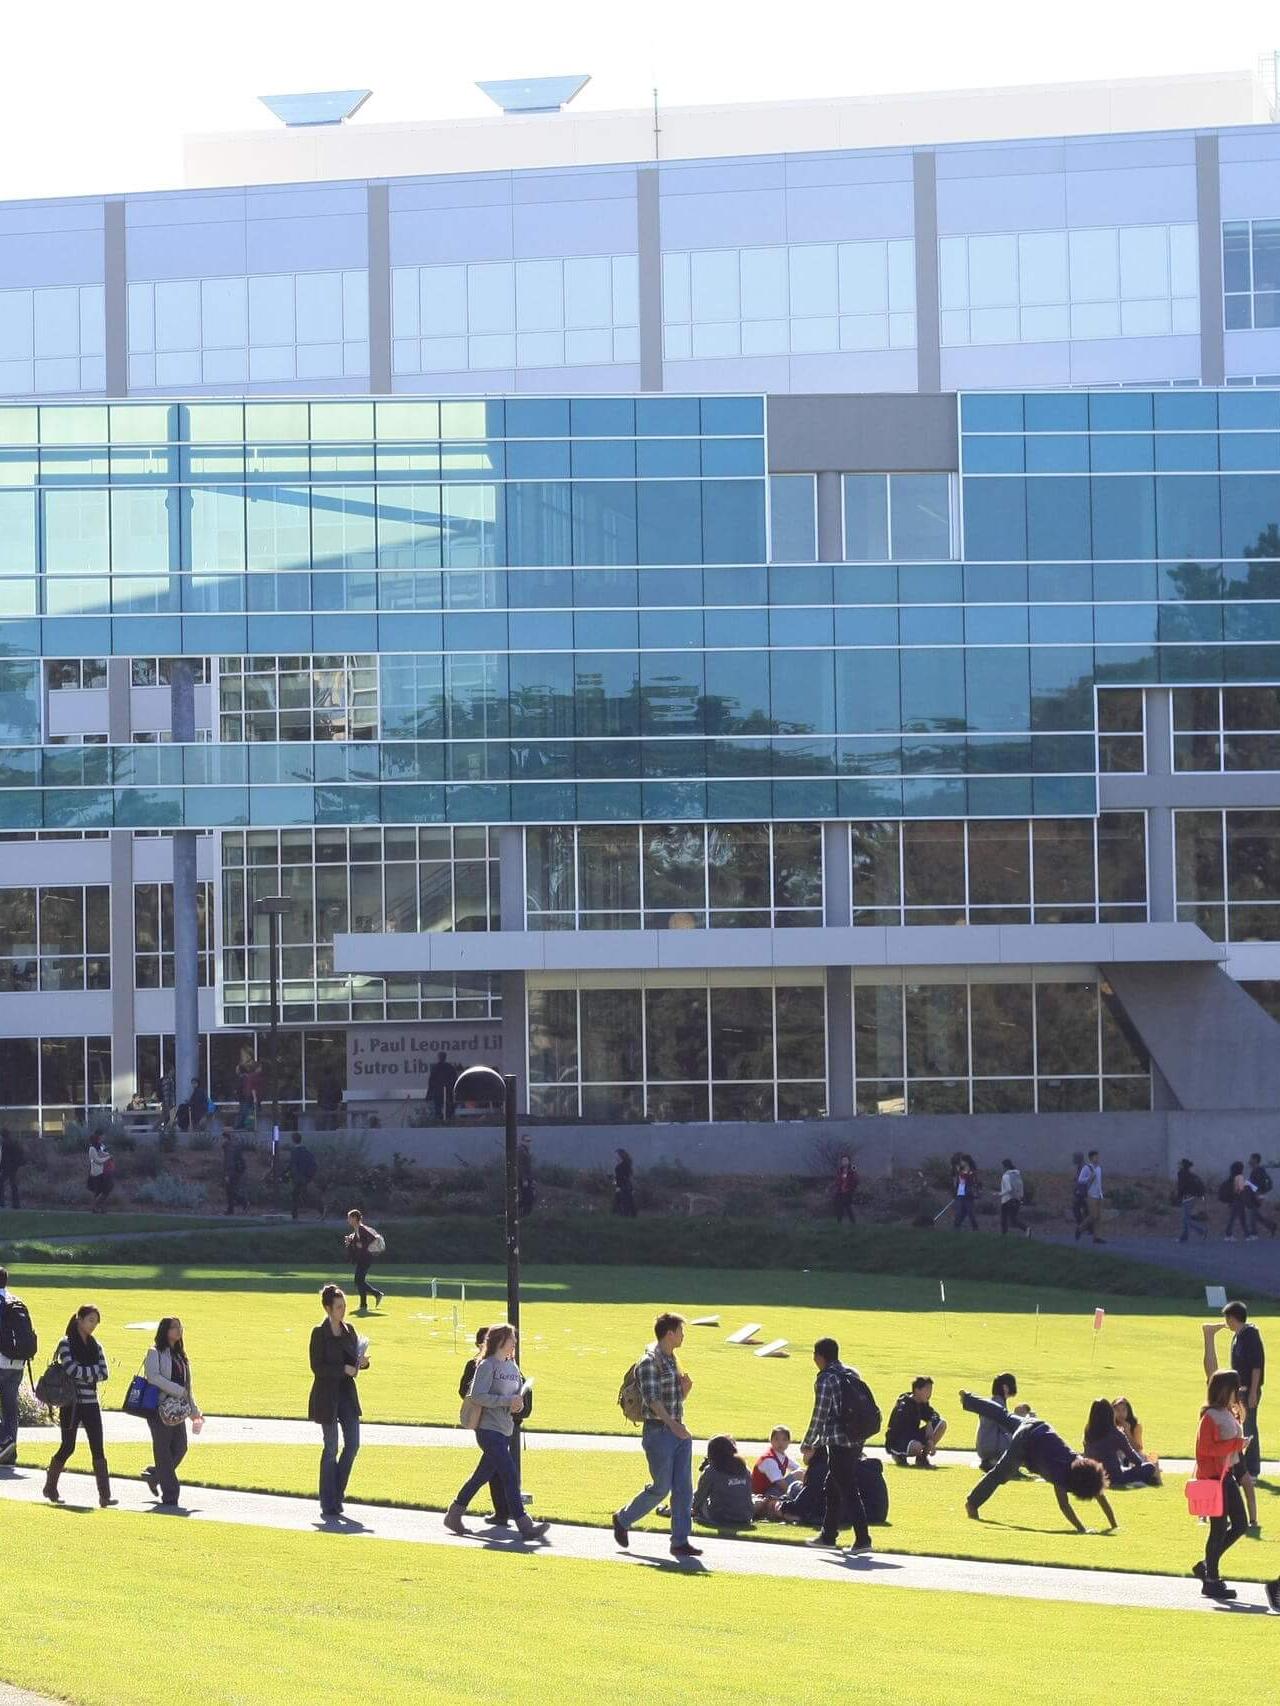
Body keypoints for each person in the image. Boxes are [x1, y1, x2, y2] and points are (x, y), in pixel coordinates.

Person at [959, 1391, 1116, 1532]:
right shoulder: (1061, 1476)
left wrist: (1114, 1525)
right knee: (1001, 1473)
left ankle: (968, 1399)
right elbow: (1064, 1505)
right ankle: (972, 1504)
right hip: (1025, 1442)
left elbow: (1099, 1492)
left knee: (1003, 1415)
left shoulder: (1080, 1461)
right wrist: (1082, 1529)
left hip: (1036, 1424)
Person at [445, 1322, 547, 1542]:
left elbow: (515, 1396)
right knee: (509, 1474)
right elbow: (476, 1395)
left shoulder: (512, 1367)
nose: (515, 1343)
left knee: (481, 1476)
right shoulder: (487, 1365)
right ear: (501, 1341)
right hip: (487, 1429)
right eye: (512, 1339)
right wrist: (505, 1401)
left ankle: (454, 1514)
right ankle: (524, 1524)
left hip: (505, 1428)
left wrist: (517, 1404)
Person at [611, 1312, 701, 1558]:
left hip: (677, 1430)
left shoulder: (672, 1359)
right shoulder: (649, 1361)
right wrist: (674, 1426)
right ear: (670, 1333)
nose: (683, 1336)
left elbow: (671, 1401)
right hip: (659, 1433)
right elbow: (652, 1402)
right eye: (681, 1331)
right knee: (661, 1488)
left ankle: (680, 1541)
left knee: (684, 1488)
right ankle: (623, 1519)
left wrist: (685, 1392)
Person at [800, 1336, 874, 1555]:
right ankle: (828, 1535)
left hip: (839, 1442)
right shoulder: (851, 1373)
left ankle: (862, 1539)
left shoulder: (826, 1379)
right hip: (857, 1439)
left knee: (847, 1488)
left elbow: (820, 1414)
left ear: (819, 1357)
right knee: (833, 1486)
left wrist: (808, 1442)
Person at [43, 1304, 114, 1508]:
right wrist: (90, 1372)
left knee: (98, 1448)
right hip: (71, 1403)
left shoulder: (96, 1345)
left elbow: (105, 1373)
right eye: (90, 1320)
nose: (93, 1326)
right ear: (80, 1319)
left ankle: (105, 1496)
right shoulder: (66, 1343)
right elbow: (71, 1369)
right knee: (68, 1446)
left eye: (96, 1322)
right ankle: (50, 1486)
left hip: (91, 1403)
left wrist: (85, 1371)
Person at [307, 1284, 368, 1519]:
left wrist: (361, 1363)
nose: (343, 1311)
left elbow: (354, 1359)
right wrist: (342, 1368)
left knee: (352, 1445)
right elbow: (317, 1367)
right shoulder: (318, 1333)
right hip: (326, 1396)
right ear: (328, 1308)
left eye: (344, 1306)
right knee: (331, 1447)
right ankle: (327, 1502)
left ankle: (336, 1495)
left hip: (347, 1396)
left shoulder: (349, 1330)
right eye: (339, 1307)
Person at [1204, 1301, 1265, 1531]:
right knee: (1243, 1427)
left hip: (1247, 1388)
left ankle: (1252, 1466)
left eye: (1227, 1319)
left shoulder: (1250, 1335)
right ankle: (1247, 1467)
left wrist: (1252, 1391)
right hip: (1237, 1389)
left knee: (1248, 1427)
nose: (1226, 1323)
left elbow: (1256, 1366)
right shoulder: (1238, 1336)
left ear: (1234, 1318)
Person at [1192, 1370, 1250, 1601]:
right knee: (1218, 1528)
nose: (1238, 1393)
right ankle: (1211, 1580)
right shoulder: (1209, 1417)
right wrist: (1236, 1443)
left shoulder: (1226, 1413)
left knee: (1240, 1524)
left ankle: (1207, 1565)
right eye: (1235, 1389)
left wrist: (1238, 1447)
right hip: (1214, 1478)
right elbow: (1206, 1450)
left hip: (1226, 1476)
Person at [141, 1316, 203, 1507]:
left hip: (177, 1411)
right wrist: (177, 1390)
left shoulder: (181, 1356)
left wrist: (195, 1412)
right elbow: (153, 1377)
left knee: (180, 1447)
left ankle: (155, 1475)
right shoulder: (155, 1352)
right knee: (163, 1451)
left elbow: (188, 1387)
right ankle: (171, 1494)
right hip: (159, 1409)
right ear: (164, 1330)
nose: (178, 1330)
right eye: (174, 1327)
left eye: (180, 1327)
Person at [458, 1327, 512, 1527]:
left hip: (503, 1424)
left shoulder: (508, 1365)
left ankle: (457, 1510)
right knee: (503, 1471)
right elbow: (468, 1392)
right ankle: (518, 1517)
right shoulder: (479, 1365)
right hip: (488, 1424)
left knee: (490, 1470)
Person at [0, 1265, 37, 1466]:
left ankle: (4, 1442)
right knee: (10, 1407)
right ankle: (9, 1452)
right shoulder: (17, 1302)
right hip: (17, 1364)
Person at [1082, 1397, 1160, 1488]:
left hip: (1094, 1476)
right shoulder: (1115, 1433)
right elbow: (1134, 1459)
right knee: (1149, 1467)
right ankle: (1147, 1479)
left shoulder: (1088, 1431)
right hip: (1114, 1477)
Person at [693, 1435, 755, 1528]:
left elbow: (699, 1497)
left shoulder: (712, 1470)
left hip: (720, 1517)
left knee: (694, 1496)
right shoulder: (744, 1468)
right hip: (746, 1516)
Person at [885, 1376, 948, 1468]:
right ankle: (899, 1456)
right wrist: (928, 1442)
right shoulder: (904, 1407)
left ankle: (922, 1459)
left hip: (912, 1435)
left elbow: (932, 1415)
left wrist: (929, 1423)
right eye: (927, 1390)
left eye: (931, 1390)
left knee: (941, 1424)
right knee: (917, 1446)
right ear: (917, 1390)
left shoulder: (922, 1402)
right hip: (897, 1440)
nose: (930, 1393)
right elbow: (898, 1432)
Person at [976, 1372, 1021, 1470]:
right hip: (991, 1447)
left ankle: (992, 1462)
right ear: (1005, 1387)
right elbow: (1006, 1427)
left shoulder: (992, 1402)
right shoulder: (998, 1405)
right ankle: (1004, 1465)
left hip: (984, 1446)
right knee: (1021, 1439)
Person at [344, 1208, 385, 1312]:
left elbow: (373, 1238)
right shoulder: (357, 1230)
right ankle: (363, 1305)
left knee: (358, 1281)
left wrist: (362, 1245)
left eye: (349, 1218)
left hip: (366, 1258)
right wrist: (350, 1241)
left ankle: (377, 1294)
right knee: (359, 1281)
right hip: (362, 1258)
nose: (348, 1220)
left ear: (354, 1218)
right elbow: (356, 1243)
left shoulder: (361, 1228)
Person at [751, 1426, 803, 1501]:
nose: (780, 1443)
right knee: (799, 1474)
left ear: (789, 1442)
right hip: (762, 1496)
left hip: (772, 1491)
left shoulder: (782, 1456)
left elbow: (799, 1468)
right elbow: (781, 1484)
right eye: (776, 1439)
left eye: (784, 1440)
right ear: (771, 1441)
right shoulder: (769, 1459)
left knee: (802, 1473)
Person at [1172, 1158, 1208, 1244]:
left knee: (1185, 1219)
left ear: (1183, 1165)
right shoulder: (1190, 1174)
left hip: (1187, 1198)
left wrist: (1178, 1198)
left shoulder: (1181, 1174)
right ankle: (1194, 1234)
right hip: (1193, 1197)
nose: (1178, 1165)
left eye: (1180, 1164)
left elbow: (1181, 1187)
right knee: (1186, 1218)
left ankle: (1200, 1231)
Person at [1073, 1150, 1105, 1244]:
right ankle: (1080, 1228)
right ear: (1091, 1158)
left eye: (1098, 1157)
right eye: (1095, 1157)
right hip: (1090, 1195)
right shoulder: (1087, 1168)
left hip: (1098, 1194)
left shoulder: (1099, 1168)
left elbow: (1098, 1182)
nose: (1097, 1159)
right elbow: (1080, 1180)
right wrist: (1089, 1178)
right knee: (1093, 1215)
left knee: (1098, 1217)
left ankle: (1097, 1237)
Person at [286, 1131, 317, 1220]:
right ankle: (320, 1210)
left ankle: (294, 1215)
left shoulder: (294, 1151)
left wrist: (288, 1174)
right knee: (301, 1194)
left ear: (293, 1140)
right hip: (306, 1177)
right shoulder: (306, 1151)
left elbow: (292, 1165)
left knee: (296, 1195)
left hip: (298, 1177)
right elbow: (313, 1164)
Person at [1247, 1152, 1277, 1238]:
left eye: (1251, 1158)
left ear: (1255, 1160)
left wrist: (1250, 1186)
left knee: (1252, 1214)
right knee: (1256, 1215)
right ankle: (1271, 1226)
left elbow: (1258, 1185)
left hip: (1257, 1195)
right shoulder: (1255, 1170)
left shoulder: (1258, 1170)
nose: (1249, 1160)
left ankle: (1254, 1234)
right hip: (1255, 1195)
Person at [1220, 1161, 1252, 1242]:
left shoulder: (1231, 1177)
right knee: (1237, 1219)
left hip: (1233, 1201)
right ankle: (1230, 1235)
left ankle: (1245, 1235)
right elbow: (1241, 1191)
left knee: (1238, 1218)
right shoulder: (1240, 1177)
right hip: (1238, 1201)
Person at [221, 1132, 248, 1216]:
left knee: (230, 1191)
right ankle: (233, 1208)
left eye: (222, 1138)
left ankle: (242, 1203)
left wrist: (227, 1174)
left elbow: (229, 1162)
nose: (221, 1141)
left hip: (232, 1172)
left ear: (226, 1138)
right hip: (237, 1171)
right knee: (231, 1191)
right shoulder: (233, 1146)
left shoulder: (229, 1148)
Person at [86, 1131, 113, 1213]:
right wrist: (107, 1158)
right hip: (96, 1173)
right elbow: (98, 1160)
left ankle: (99, 1207)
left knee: (102, 1191)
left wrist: (108, 1155)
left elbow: (102, 1153)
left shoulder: (97, 1148)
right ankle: (95, 1206)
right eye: (98, 1139)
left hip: (102, 1172)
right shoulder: (92, 1149)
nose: (100, 1141)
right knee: (101, 1191)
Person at [999, 1158, 1026, 1236]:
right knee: (1013, 1219)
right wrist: (1021, 1197)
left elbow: (1008, 1189)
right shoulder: (1017, 1175)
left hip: (1007, 1199)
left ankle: (1004, 1235)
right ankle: (1026, 1229)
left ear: (1005, 1167)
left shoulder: (1006, 1176)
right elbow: (1021, 1186)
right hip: (1016, 1199)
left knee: (1004, 1219)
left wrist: (999, 1194)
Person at [952, 1154, 979, 1231]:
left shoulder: (971, 1171)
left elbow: (972, 1181)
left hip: (968, 1192)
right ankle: (956, 1226)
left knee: (969, 1211)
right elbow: (960, 1181)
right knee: (960, 1211)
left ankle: (975, 1227)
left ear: (966, 1161)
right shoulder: (961, 1170)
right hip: (961, 1192)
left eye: (962, 1160)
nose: (961, 1162)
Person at [0, 1128, 24, 1209]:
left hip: (7, 1167)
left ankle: (1, 1202)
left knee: (1, 1183)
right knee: (13, 1185)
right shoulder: (13, 1142)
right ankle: (16, 1204)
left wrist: (1, 1166)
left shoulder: (5, 1144)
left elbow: (4, 1157)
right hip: (13, 1167)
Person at [832, 1153, 858, 1225]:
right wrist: (837, 1186)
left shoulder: (852, 1168)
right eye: (843, 1160)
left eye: (846, 1160)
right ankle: (839, 1223)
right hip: (840, 1191)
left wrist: (851, 1189)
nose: (844, 1162)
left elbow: (856, 1180)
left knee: (848, 1207)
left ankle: (853, 1223)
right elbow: (837, 1179)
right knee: (839, 1207)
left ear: (849, 1161)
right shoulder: (840, 1170)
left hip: (848, 1191)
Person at [1069, 1149, 1089, 1237]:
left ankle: (1082, 1226)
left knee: (1076, 1208)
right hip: (1082, 1192)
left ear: (1078, 1159)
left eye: (1074, 1158)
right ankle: (1087, 1227)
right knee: (1086, 1210)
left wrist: (1078, 1192)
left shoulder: (1083, 1168)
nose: (1073, 1159)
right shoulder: (1081, 1167)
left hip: (1082, 1193)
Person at [613, 1148, 637, 1217]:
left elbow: (621, 1178)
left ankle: (625, 1217)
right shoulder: (625, 1165)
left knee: (624, 1203)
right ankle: (628, 1217)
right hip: (626, 1186)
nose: (615, 1157)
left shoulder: (621, 1166)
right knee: (628, 1203)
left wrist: (618, 1186)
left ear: (620, 1156)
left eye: (616, 1155)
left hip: (623, 1187)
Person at [517, 1135, 535, 1216]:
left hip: (527, 1178)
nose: (529, 1143)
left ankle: (523, 1214)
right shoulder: (521, 1151)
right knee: (528, 1198)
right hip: (524, 1179)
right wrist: (524, 1179)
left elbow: (528, 1167)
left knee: (527, 1198)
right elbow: (521, 1166)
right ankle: (525, 1216)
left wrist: (532, 1179)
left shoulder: (525, 1150)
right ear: (522, 1141)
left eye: (529, 1141)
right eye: (527, 1141)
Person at [158, 1068, 175, 1133]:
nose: (174, 1072)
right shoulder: (167, 1080)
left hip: (168, 1102)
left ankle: (166, 1130)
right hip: (168, 1102)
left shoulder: (170, 1079)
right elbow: (166, 1092)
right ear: (169, 1071)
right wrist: (168, 1103)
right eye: (172, 1071)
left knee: (168, 1117)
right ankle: (156, 1127)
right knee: (166, 1116)